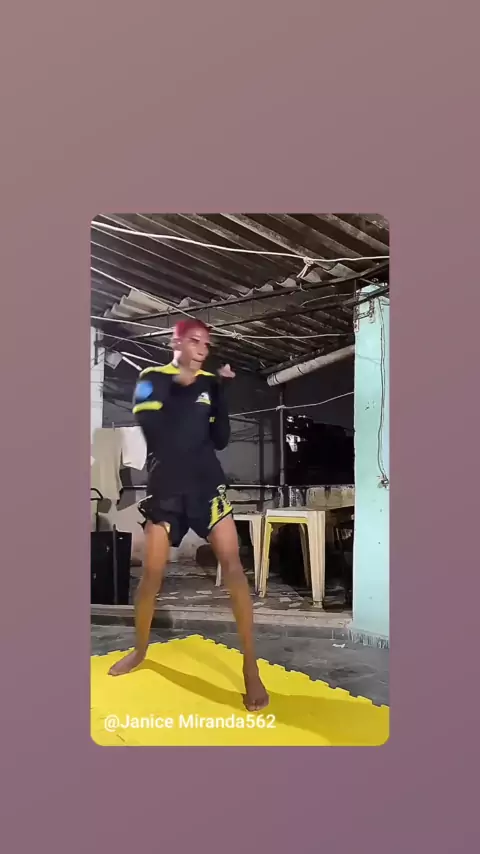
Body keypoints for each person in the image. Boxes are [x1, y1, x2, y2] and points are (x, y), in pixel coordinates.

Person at [109, 319, 269, 712]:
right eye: (194, 341)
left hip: (206, 487)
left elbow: (220, 439)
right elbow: (153, 427)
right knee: (151, 576)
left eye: (206, 344)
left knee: (234, 569)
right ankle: (140, 650)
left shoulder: (210, 384)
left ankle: (251, 668)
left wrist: (222, 394)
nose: (202, 350)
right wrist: (181, 385)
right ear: (176, 342)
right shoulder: (151, 378)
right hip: (166, 492)